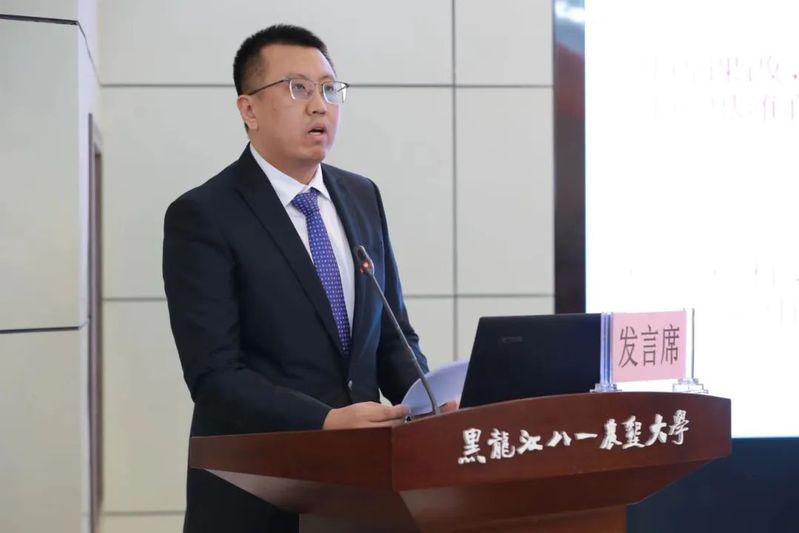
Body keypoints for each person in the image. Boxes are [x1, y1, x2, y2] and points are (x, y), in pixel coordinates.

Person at [163, 24, 435, 533]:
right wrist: (324, 421)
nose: (319, 106)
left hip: (361, 490)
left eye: (330, 89)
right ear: (248, 109)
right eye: (298, 88)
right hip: (258, 494)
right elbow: (214, 376)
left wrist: (430, 404)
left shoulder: (362, 196)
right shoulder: (203, 215)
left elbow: (392, 335)